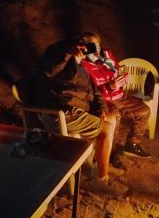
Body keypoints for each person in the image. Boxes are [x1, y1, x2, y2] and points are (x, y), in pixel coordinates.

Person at [40, 37, 128, 196]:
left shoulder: (83, 63)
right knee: (106, 129)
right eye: (83, 42)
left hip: (80, 109)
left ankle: (98, 165)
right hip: (64, 112)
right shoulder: (56, 59)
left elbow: (95, 91)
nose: (87, 47)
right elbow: (55, 71)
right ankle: (100, 180)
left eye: (91, 44)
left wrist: (100, 107)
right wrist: (71, 55)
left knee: (111, 118)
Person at [80, 32, 151, 165]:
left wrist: (121, 80)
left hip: (119, 96)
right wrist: (110, 87)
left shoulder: (107, 55)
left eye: (97, 46)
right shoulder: (83, 65)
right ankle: (110, 154)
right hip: (104, 100)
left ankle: (132, 145)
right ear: (83, 48)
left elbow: (117, 71)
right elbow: (90, 92)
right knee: (115, 118)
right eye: (91, 47)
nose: (96, 51)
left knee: (144, 110)